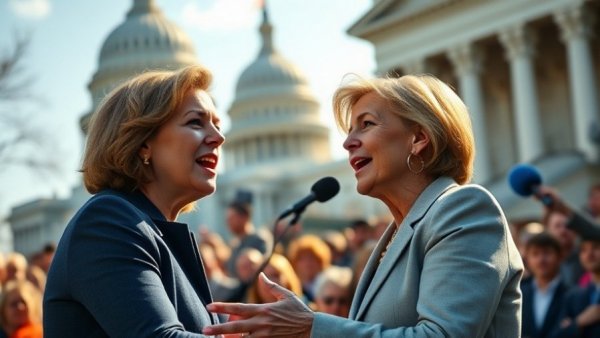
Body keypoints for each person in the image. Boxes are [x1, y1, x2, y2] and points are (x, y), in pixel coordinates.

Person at [203, 74, 524, 337]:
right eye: (349, 129)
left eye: (366, 124)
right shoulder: (394, 235)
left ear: (419, 138)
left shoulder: (464, 209)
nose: (346, 142)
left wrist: (311, 326)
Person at [43, 65, 225, 337]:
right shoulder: (106, 223)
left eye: (217, 124)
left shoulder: (159, 235)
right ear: (143, 143)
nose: (218, 137)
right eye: (195, 122)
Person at [521, 233, 569, 338]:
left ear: (560, 257)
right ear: (527, 259)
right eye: (535, 254)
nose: (541, 260)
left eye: (547, 253)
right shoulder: (519, 293)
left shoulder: (571, 294)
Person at [551, 236, 600, 337]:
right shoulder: (573, 296)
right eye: (583, 250)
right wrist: (579, 322)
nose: (589, 254)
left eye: (596, 247)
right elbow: (558, 334)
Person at [287, 234, 332, 302]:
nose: (307, 263)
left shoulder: (328, 285)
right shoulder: (290, 285)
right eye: (302, 259)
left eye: (312, 258)